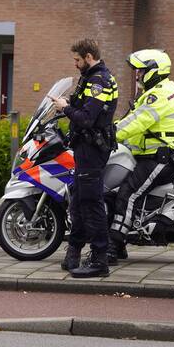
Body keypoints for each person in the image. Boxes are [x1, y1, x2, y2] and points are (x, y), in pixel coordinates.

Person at [109, 49, 174, 261]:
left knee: (128, 194)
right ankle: (123, 239)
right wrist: (112, 129)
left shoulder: (160, 94)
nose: (137, 75)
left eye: (141, 71)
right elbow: (133, 119)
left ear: (154, 70)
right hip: (153, 155)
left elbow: (139, 122)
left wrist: (110, 134)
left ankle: (113, 247)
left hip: (160, 157)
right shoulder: (159, 90)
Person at [50, 39, 119, 278]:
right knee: (78, 200)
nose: (75, 64)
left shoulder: (99, 80)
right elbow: (84, 106)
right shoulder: (91, 77)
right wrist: (68, 103)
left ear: (88, 56)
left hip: (92, 148)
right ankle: (74, 254)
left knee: (91, 203)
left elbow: (87, 118)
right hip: (85, 147)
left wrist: (64, 109)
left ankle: (100, 259)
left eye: (77, 60)